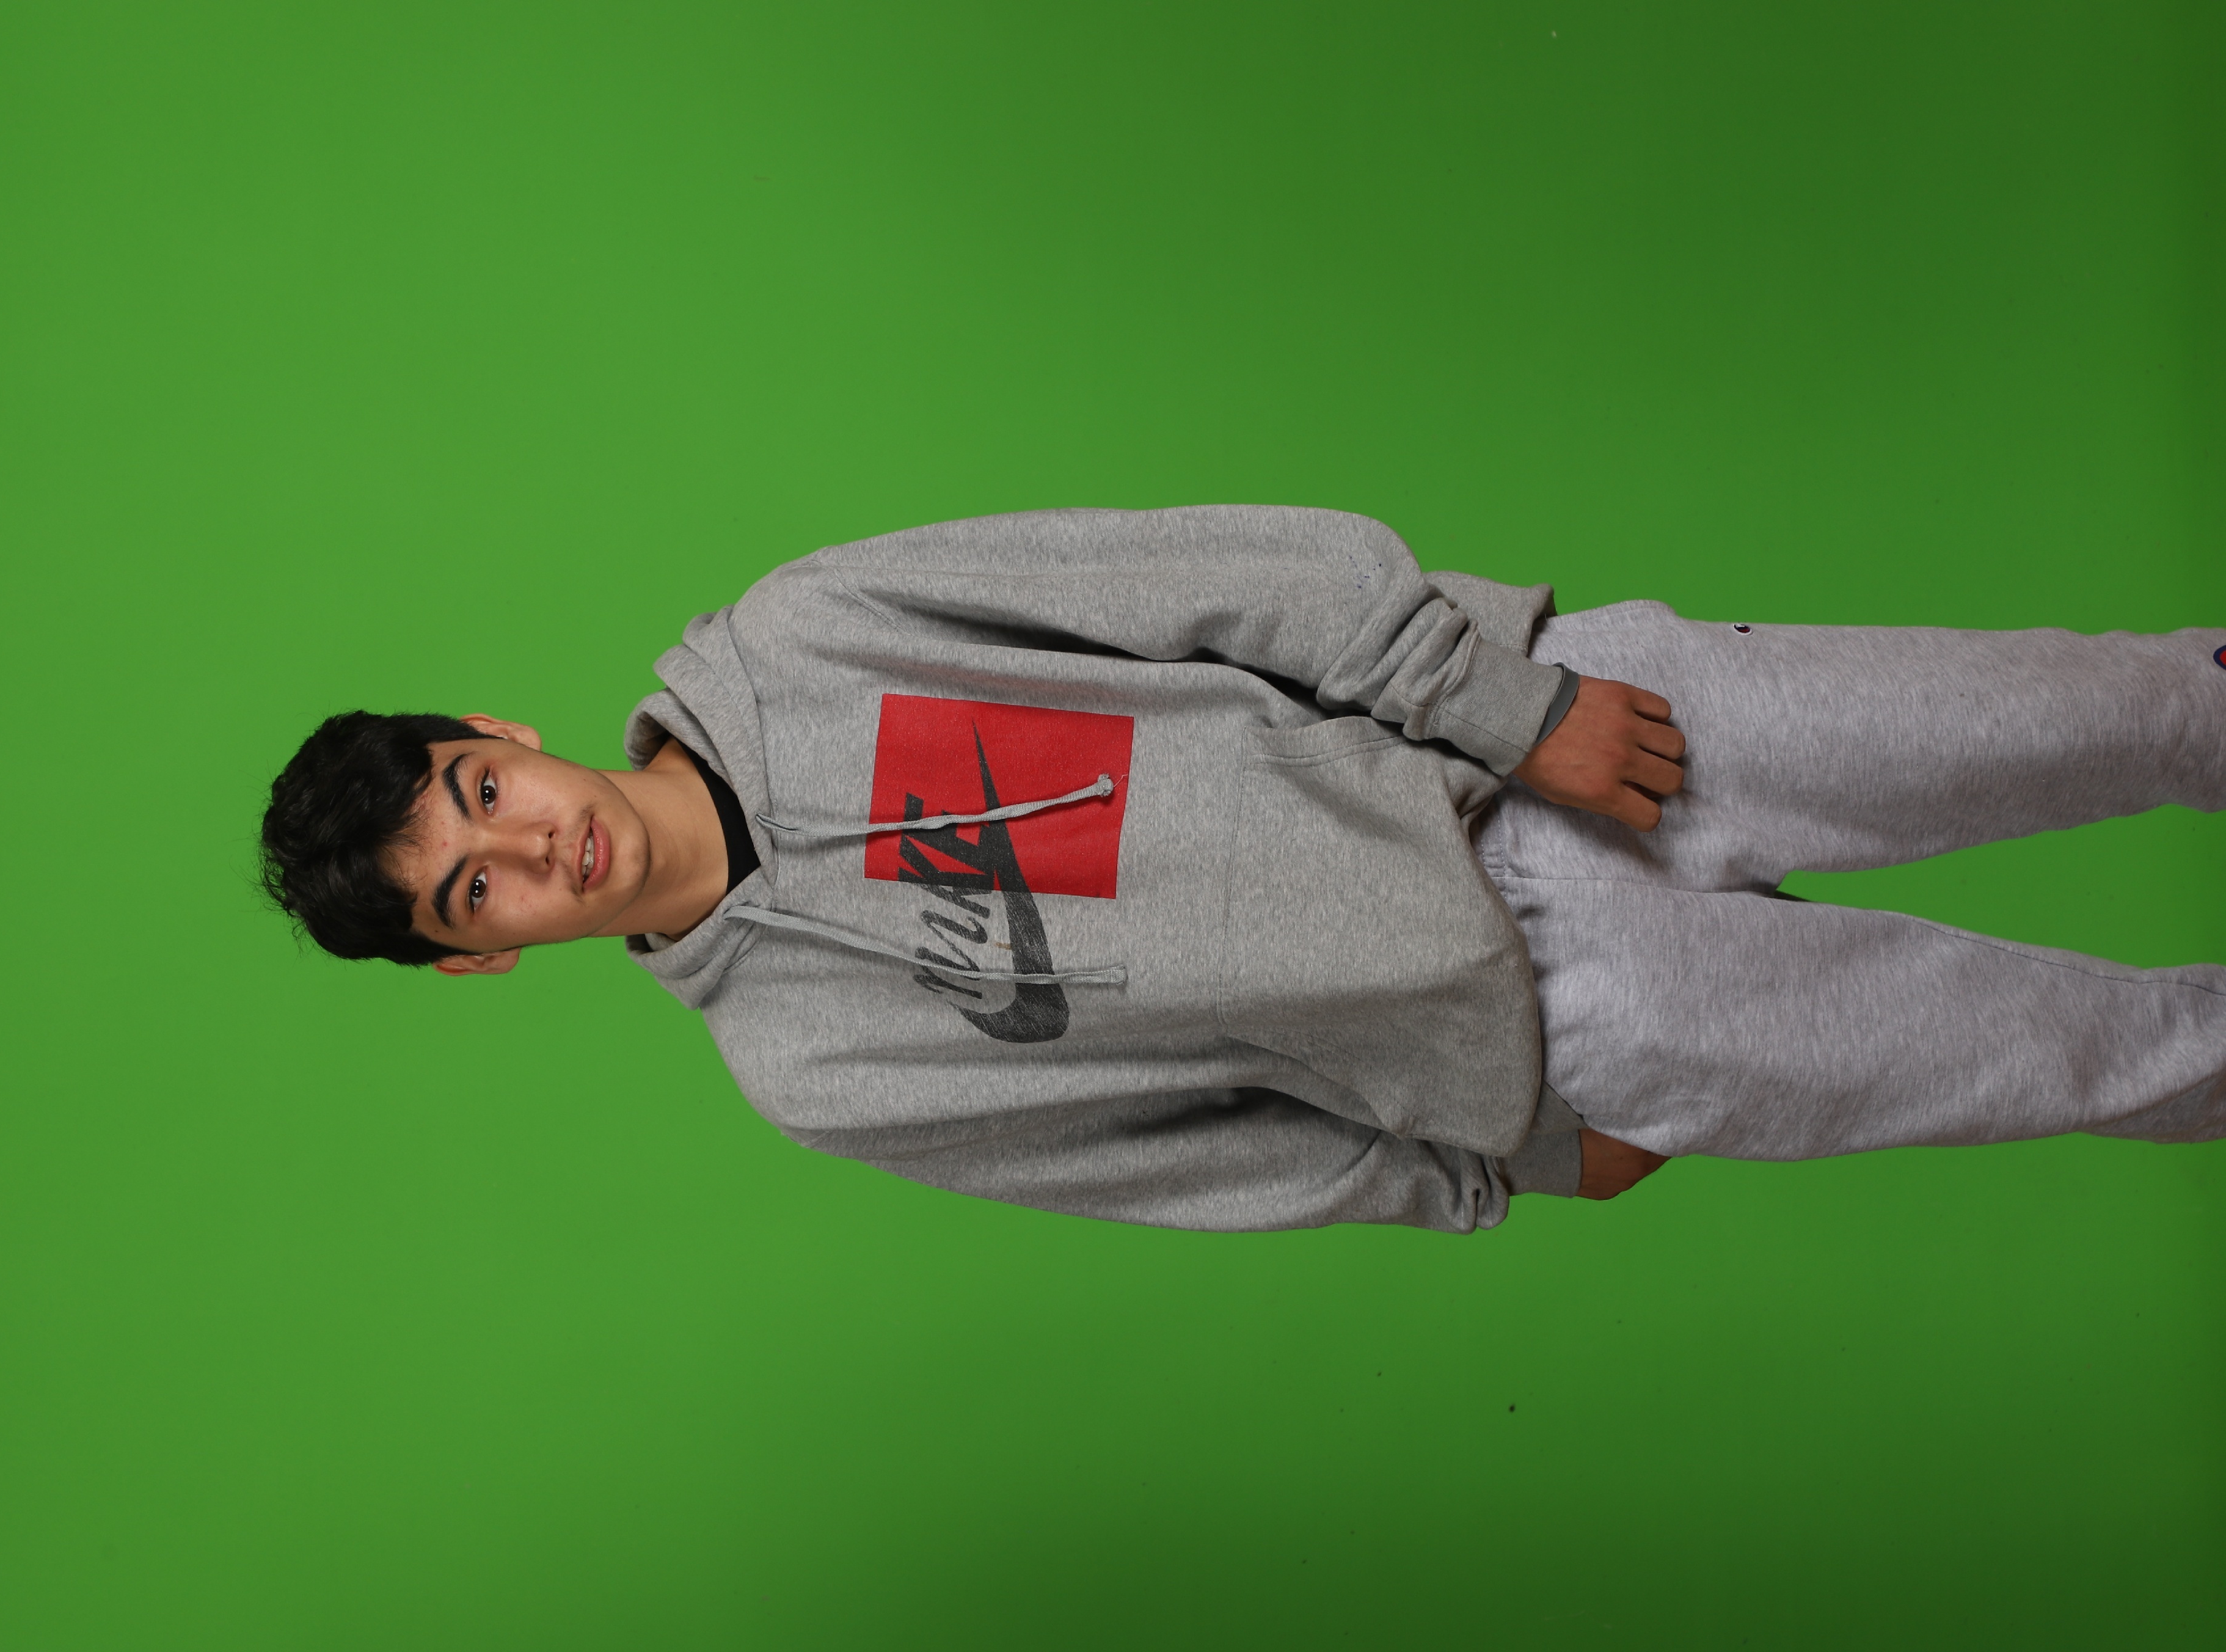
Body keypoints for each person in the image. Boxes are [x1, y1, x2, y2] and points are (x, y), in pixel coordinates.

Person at [258, 506, 2226, 1233]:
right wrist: (1495, 1166)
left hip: (1558, 748)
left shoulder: (802, 635)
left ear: (500, 731)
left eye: (480, 792)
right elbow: (1184, 1160)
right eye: (474, 889)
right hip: (1562, 1027)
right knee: (2101, 1059)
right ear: (481, 961)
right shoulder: (811, 1068)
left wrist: (1505, 701)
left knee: (2118, 710)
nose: (532, 843)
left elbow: (1201, 574)